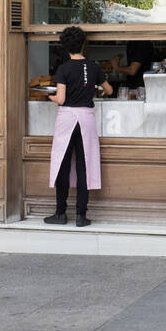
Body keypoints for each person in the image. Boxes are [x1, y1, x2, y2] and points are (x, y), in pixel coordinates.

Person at [46, 26, 112, 227]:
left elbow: (61, 98)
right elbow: (109, 90)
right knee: (85, 166)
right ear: (83, 43)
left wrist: (48, 95)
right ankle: (81, 216)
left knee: (63, 165)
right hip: (86, 118)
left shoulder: (63, 68)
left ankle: (60, 213)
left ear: (65, 47)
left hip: (67, 119)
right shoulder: (93, 66)